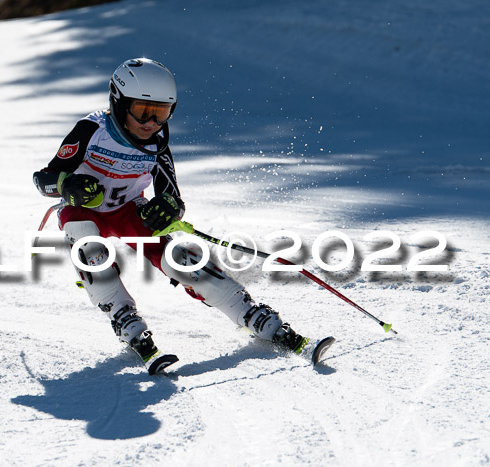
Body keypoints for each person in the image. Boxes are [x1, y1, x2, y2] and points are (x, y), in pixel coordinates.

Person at [33, 58, 319, 374]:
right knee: (88, 245)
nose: (151, 122)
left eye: (162, 113)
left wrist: (167, 208)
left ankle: (248, 311)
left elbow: (172, 198)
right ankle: (121, 313)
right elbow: (44, 179)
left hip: (128, 210)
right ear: (118, 101)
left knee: (178, 256)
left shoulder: (157, 145)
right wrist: (67, 184)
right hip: (82, 210)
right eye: (143, 111)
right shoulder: (91, 130)